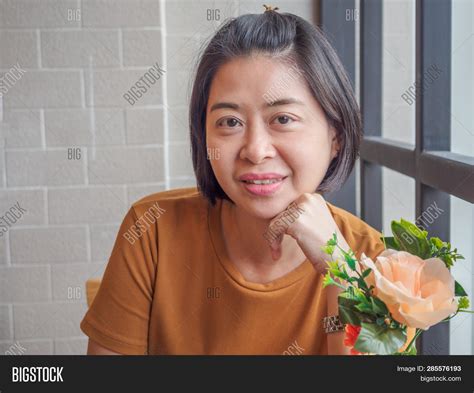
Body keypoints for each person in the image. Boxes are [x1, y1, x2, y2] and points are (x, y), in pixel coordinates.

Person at [81, 6, 385, 355]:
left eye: (283, 118)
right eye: (229, 122)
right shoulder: (152, 231)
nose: (255, 150)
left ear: (336, 137)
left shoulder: (376, 262)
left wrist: (342, 272)